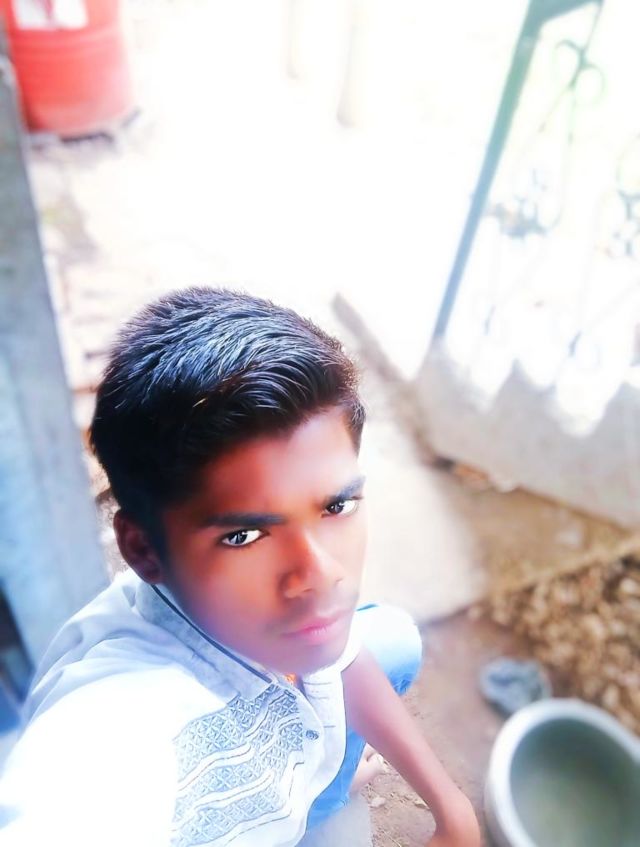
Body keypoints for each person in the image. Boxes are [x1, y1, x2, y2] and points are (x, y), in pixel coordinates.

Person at [0, 288, 480, 847]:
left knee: (394, 636)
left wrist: (451, 806)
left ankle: (324, 785)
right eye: (243, 536)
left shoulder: (277, 610)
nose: (320, 574)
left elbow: (341, 655)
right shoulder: (119, 723)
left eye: (335, 506)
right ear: (143, 550)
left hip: (299, 776)